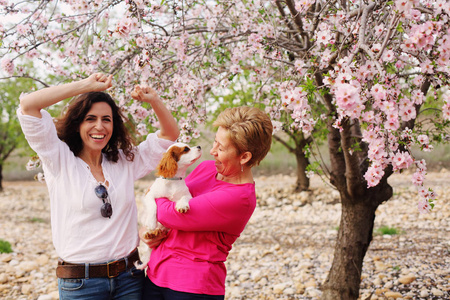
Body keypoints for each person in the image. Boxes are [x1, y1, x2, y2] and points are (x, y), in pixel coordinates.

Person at [17, 73, 179, 299]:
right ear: (77, 124)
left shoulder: (124, 162)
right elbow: (28, 105)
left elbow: (169, 135)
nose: (99, 126)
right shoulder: (59, 160)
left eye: (106, 119)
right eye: (90, 118)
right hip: (81, 285)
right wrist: (86, 86)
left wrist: (154, 100)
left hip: (129, 278)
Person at [139, 106, 273, 299]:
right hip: (155, 275)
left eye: (221, 148)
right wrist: (146, 233)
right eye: (214, 142)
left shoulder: (239, 198)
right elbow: (168, 198)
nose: (212, 151)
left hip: (192, 287)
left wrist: (152, 192)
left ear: (244, 157)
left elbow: (169, 214)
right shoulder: (206, 168)